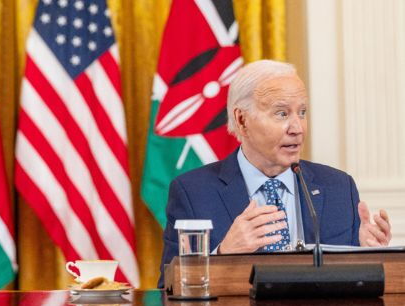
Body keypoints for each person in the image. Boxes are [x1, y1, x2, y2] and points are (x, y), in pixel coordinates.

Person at [158, 60, 391, 287]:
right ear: (242, 120)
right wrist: (223, 253)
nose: (297, 128)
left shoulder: (339, 187)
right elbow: (167, 289)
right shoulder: (193, 192)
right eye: (281, 114)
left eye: (302, 112)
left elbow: (355, 287)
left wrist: (368, 254)